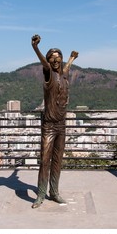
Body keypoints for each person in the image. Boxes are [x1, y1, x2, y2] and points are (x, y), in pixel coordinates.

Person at [31, 34, 79, 208]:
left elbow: (66, 68)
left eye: (58, 58)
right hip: (49, 126)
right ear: (49, 61)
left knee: (58, 160)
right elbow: (43, 63)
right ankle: (41, 194)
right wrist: (35, 47)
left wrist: (72, 58)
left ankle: (55, 192)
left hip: (62, 125)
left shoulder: (64, 74)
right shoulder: (48, 73)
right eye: (52, 59)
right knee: (45, 160)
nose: (55, 61)